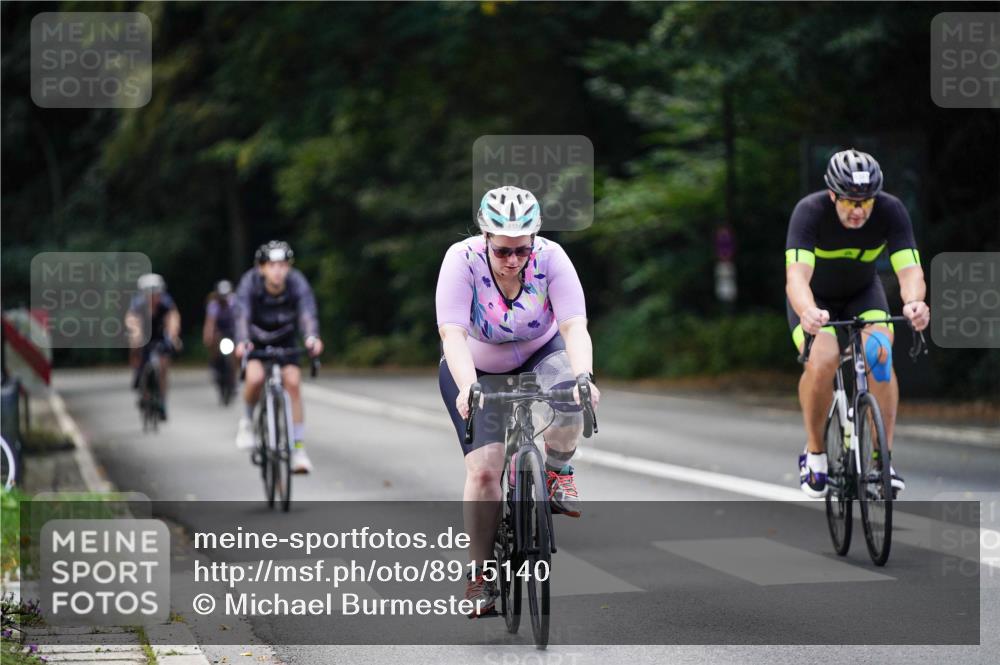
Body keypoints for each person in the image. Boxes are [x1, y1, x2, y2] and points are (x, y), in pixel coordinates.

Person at [436, 185, 600, 617]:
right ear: (485, 238)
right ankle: (479, 573)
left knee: (572, 395)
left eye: (522, 251)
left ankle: (557, 470)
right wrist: (469, 386)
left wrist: (583, 376)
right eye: (503, 251)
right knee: (486, 471)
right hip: (477, 364)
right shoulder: (461, 259)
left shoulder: (552, 258)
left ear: (535, 242)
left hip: (540, 352)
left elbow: (574, 326)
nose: (513, 261)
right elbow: (452, 334)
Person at [785, 149, 930, 498]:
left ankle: (882, 461)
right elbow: (797, 277)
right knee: (822, 360)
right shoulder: (809, 212)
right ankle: (816, 453)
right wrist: (807, 311)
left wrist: (914, 302)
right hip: (814, 300)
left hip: (863, 293)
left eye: (865, 201)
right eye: (850, 201)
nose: (858, 210)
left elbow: (910, 269)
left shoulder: (891, 211)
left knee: (880, 354)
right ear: (833, 195)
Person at [233, 241, 323, 474]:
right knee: (254, 379)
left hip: (285, 339)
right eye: (272, 265)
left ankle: (298, 448)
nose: (277, 270)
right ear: (261, 268)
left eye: (283, 265)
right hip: (256, 340)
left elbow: (307, 312)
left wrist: (312, 337)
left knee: (293, 383)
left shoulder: (296, 283)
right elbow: (242, 314)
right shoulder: (249, 283)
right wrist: (242, 341)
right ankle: (247, 423)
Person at [125, 273, 181, 420]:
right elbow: (131, 319)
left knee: (163, 365)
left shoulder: (166, 303)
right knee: (134, 345)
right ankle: (137, 372)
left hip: (159, 336)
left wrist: (173, 336)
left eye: (156, 293)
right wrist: (135, 334)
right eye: (149, 293)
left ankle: (162, 401)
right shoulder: (137, 304)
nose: (153, 297)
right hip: (143, 335)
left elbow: (173, 318)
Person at [203, 280, 238, 401]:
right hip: (219, 331)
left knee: (235, 353)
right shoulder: (214, 304)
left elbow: (239, 319)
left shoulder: (234, 302)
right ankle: (214, 364)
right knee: (214, 343)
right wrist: (208, 336)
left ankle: (233, 379)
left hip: (232, 330)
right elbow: (210, 322)